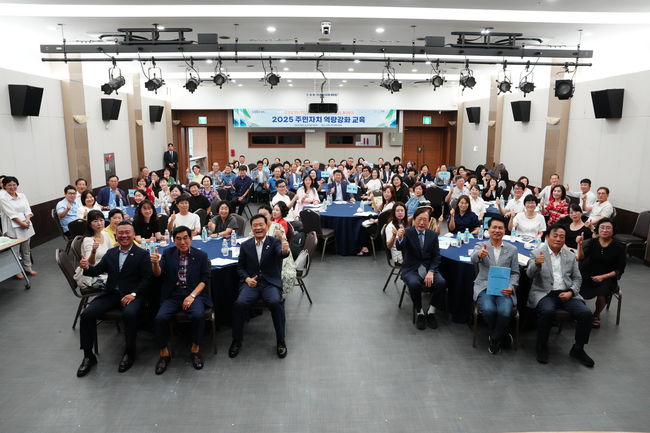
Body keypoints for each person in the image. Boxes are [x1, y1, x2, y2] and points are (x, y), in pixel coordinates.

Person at [76, 221, 152, 377]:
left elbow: (147, 279)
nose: (124, 235)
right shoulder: (111, 253)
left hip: (132, 295)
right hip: (111, 294)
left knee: (130, 314)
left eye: (127, 232)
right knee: (86, 314)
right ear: (116, 235)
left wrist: (134, 294)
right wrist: (86, 267)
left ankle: (129, 352)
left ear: (133, 234)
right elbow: (96, 271)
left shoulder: (142, 254)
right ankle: (88, 356)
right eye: (120, 233)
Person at [526, 224, 594, 367]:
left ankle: (578, 349)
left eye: (562, 236)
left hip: (566, 292)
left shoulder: (570, 255)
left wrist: (571, 292)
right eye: (555, 235)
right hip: (544, 292)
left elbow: (577, 278)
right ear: (547, 237)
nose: (558, 239)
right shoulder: (537, 252)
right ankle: (541, 346)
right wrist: (536, 264)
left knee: (586, 314)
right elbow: (529, 274)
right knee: (547, 311)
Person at [150, 226, 212, 374]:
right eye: (178, 239)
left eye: (185, 238)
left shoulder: (201, 255)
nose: (182, 242)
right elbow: (158, 274)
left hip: (193, 294)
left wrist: (192, 296)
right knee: (160, 318)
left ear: (191, 238)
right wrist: (155, 263)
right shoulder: (168, 253)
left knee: (198, 315)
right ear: (173, 240)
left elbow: (204, 280)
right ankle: (164, 353)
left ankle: (195, 348)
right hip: (173, 294)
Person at [229, 213, 291, 359]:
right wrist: (247, 279)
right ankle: (236, 340)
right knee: (239, 304)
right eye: (255, 225)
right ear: (251, 228)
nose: (258, 228)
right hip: (252, 283)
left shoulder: (274, 242)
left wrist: (285, 248)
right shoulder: (245, 245)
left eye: (261, 225)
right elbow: (240, 267)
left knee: (275, 302)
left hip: (270, 283)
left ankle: (281, 341)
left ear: (266, 226)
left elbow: (281, 253)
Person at [471, 215, 520, 354]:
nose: (497, 230)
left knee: (505, 312)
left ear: (505, 230)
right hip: (484, 287)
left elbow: (515, 273)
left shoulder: (512, 249)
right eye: (494, 227)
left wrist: (511, 286)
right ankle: (502, 335)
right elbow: (473, 259)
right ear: (488, 229)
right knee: (489, 309)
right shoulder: (481, 245)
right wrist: (479, 255)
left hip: (504, 288)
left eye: (500, 228)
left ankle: (494, 338)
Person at [395, 207, 447, 330]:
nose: (422, 223)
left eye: (425, 220)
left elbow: (436, 256)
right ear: (414, 220)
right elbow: (399, 247)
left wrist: (431, 271)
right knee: (414, 283)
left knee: (441, 282)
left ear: (429, 221)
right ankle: (420, 312)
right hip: (411, 268)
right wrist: (399, 237)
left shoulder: (432, 235)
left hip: (428, 268)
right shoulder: (408, 232)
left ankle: (431, 311)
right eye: (419, 219)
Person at [576, 218, 626, 328]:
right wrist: (580, 245)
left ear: (613, 230)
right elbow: (580, 258)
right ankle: (577, 311)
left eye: (608, 228)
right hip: (588, 274)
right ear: (598, 229)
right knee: (574, 285)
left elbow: (620, 269)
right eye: (602, 227)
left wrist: (603, 277)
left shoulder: (619, 247)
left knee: (603, 291)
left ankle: (596, 315)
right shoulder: (592, 242)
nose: (604, 230)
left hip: (607, 277)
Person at [0, 176, 37, 278]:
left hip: (26, 225)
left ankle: (28, 268)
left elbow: (27, 210)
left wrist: (27, 220)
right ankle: (17, 271)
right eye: (9, 185)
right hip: (13, 227)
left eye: (14, 185)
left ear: (17, 185)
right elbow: (11, 214)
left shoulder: (22, 195)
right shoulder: (3, 198)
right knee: (15, 251)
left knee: (26, 249)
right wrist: (22, 224)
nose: (12, 187)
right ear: (4, 186)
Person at [74, 210, 113, 290]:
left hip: (105, 268)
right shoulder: (88, 240)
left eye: (101, 220)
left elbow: (112, 253)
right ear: (89, 224)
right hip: (93, 274)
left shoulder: (105, 234)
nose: (99, 223)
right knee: (121, 281)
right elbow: (90, 263)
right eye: (95, 221)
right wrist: (93, 251)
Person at [357, 185, 395, 256]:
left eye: (388, 192)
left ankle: (365, 249)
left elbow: (384, 218)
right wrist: (373, 199)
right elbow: (377, 209)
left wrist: (375, 221)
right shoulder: (386, 203)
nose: (386, 194)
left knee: (363, 227)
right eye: (384, 192)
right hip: (380, 225)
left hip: (381, 228)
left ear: (392, 194)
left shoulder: (391, 205)